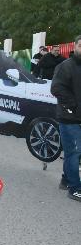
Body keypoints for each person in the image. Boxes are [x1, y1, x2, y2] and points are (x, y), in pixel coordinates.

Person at [51, 35, 81, 202]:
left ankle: (66, 179)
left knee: (72, 152)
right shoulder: (65, 66)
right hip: (70, 118)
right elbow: (56, 88)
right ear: (75, 47)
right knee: (74, 152)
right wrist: (74, 105)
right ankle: (75, 188)